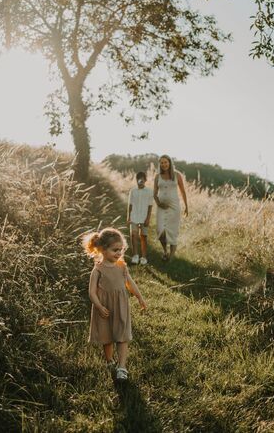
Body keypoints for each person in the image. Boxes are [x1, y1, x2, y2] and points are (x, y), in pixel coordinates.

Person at [82, 227, 147, 381]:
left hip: (121, 306)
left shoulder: (121, 266)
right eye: (115, 250)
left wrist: (140, 297)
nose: (119, 253)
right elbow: (91, 292)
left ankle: (122, 367)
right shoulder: (98, 270)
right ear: (103, 250)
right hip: (105, 307)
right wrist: (99, 306)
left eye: (121, 250)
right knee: (107, 336)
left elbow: (130, 283)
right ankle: (109, 361)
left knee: (122, 335)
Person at [154, 155, 188, 261]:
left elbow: (183, 191)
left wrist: (187, 206)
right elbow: (154, 194)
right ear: (160, 164)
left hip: (174, 207)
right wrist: (159, 203)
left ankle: (171, 258)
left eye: (166, 162)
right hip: (161, 208)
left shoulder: (177, 175)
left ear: (170, 163)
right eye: (162, 163)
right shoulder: (157, 176)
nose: (164, 164)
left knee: (172, 231)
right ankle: (165, 251)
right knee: (160, 230)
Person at [127, 171, 153, 266]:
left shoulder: (149, 191)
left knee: (143, 236)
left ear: (145, 180)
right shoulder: (133, 191)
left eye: (142, 178)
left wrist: (148, 219)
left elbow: (150, 206)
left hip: (144, 216)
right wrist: (128, 217)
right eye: (138, 178)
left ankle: (144, 257)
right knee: (133, 235)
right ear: (136, 180)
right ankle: (135, 255)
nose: (140, 180)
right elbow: (130, 205)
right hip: (134, 216)